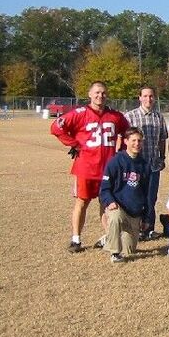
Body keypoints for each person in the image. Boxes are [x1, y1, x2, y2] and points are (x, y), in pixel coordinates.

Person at [51, 81, 130, 253]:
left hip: (108, 169)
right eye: (97, 92)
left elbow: (128, 133)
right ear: (90, 94)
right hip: (86, 168)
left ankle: (110, 238)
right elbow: (56, 127)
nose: (100, 96)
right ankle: (76, 239)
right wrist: (74, 143)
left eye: (103, 93)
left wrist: (122, 152)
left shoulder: (115, 116)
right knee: (82, 203)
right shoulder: (80, 113)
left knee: (107, 204)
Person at [99, 127, 150, 263]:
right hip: (119, 207)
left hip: (134, 212)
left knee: (129, 250)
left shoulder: (144, 165)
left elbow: (147, 194)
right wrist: (109, 201)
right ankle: (114, 253)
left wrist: (145, 217)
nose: (137, 144)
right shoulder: (116, 161)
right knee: (115, 216)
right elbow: (104, 188)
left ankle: (109, 239)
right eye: (133, 140)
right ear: (126, 141)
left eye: (139, 141)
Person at [123, 85, 168, 241]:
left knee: (151, 198)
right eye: (145, 96)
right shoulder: (130, 117)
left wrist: (162, 157)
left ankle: (149, 228)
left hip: (153, 164)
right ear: (140, 97)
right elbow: (124, 140)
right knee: (135, 196)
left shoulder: (159, 117)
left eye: (151, 96)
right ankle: (135, 228)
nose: (148, 99)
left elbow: (163, 139)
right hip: (135, 166)